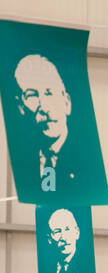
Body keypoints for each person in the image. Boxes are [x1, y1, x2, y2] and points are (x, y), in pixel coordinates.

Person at [13, 53, 77, 189]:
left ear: (67, 102)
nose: (45, 107)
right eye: (32, 95)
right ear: (21, 107)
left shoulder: (87, 159)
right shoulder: (20, 160)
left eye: (50, 93)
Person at [43, 207, 88, 273]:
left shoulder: (87, 267)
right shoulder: (45, 269)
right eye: (57, 231)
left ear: (77, 233)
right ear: (49, 239)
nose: (64, 237)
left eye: (67, 229)